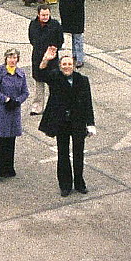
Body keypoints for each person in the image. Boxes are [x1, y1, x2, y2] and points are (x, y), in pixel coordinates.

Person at [37, 47, 96, 196]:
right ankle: (65, 185)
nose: (67, 67)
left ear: (74, 66)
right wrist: (45, 60)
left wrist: (90, 123)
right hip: (61, 122)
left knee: (78, 154)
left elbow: (87, 102)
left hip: (78, 122)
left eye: (69, 64)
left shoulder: (82, 80)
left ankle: (80, 183)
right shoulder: (56, 78)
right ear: (60, 66)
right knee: (63, 154)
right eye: (64, 64)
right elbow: (40, 74)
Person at [0, 48, 29, 182]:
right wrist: (6, 100)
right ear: (5, 59)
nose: (12, 60)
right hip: (1, 111)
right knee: (0, 141)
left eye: (15, 57)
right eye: (10, 57)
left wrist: (17, 101)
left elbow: (25, 92)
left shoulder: (21, 74)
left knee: (11, 140)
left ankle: (8, 168)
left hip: (14, 111)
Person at [27, 5, 64, 116]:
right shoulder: (33, 24)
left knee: (53, 84)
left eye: (47, 15)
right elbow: (31, 39)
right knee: (39, 83)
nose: (45, 17)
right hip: (38, 57)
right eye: (43, 15)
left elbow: (60, 40)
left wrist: (53, 49)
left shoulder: (55, 25)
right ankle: (37, 107)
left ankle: (54, 107)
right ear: (38, 14)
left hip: (51, 58)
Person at [58, 0, 86, 67]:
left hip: (75, 14)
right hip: (67, 13)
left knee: (77, 36)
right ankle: (75, 56)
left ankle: (79, 58)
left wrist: (70, 8)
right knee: (74, 35)